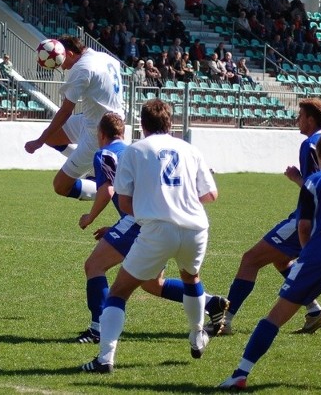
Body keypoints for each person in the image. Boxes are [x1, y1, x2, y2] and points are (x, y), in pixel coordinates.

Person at [214, 98, 321, 336]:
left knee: (251, 259)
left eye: (300, 115)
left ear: (310, 119)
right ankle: (314, 312)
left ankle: (224, 321)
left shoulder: (311, 144)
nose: (297, 119)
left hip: (312, 222)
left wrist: (297, 178)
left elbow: (315, 189)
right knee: (280, 260)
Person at [220, 131, 321, 391]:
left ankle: (241, 373)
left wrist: (307, 254)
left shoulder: (315, 180)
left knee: (274, 317)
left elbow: (304, 227)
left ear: (320, 155)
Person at [81, 99, 218, 373]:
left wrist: (152, 209)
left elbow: (125, 202)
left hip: (156, 229)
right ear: (171, 122)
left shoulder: (135, 151)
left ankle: (105, 359)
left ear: (142, 125)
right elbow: (211, 194)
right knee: (191, 279)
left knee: (119, 291)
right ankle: (197, 335)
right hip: (195, 227)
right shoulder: (191, 150)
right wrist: (182, 201)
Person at [24, 35, 124, 201]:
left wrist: (39, 141)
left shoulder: (82, 68)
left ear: (69, 53)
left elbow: (65, 111)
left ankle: (106, 186)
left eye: (61, 62)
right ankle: (94, 168)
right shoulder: (106, 58)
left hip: (99, 133)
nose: (62, 68)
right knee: (52, 137)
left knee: (61, 186)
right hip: (94, 120)